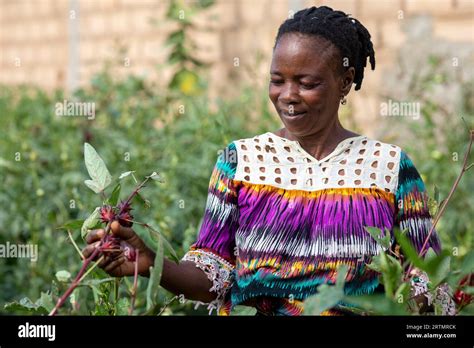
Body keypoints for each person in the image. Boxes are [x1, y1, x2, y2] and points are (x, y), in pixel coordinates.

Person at [83, 6, 442, 316]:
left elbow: (428, 282)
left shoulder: (387, 167)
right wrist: (151, 264)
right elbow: (214, 275)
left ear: (345, 81)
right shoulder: (242, 162)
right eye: (277, 80)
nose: (288, 96)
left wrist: (418, 295)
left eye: (306, 82)